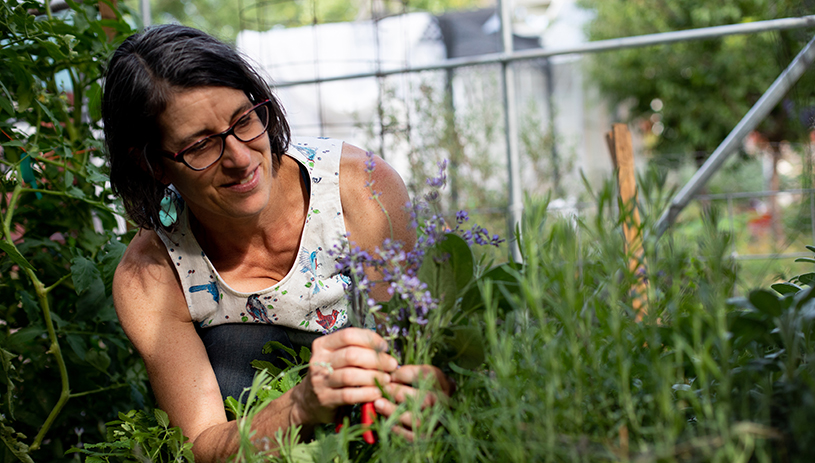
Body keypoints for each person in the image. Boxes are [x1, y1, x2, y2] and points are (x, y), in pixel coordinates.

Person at [104, 24, 451, 462]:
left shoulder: (360, 190)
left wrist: (432, 387)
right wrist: (300, 404)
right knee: (234, 353)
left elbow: (412, 351)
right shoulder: (152, 275)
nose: (241, 159)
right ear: (153, 164)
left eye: (244, 121)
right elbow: (202, 447)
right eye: (201, 146)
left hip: (373, 442)